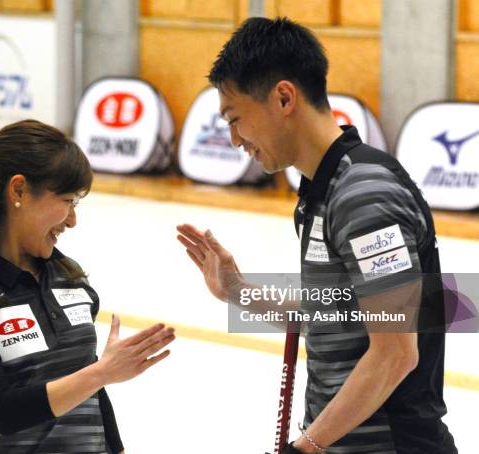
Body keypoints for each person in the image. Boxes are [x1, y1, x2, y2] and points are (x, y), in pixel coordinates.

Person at [176, 17, 457, 454]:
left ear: (284, 97)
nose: (233, 140)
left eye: (235, 119)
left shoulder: (365, 194)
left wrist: (306, 447)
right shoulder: (321, 192)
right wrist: (239, 292)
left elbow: (395, 353)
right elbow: (336, 315)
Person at [0, 119, 175, 454]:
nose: (72, 220)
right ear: (19, 190)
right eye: (68, 200)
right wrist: (101, 373)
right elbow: (2, 411)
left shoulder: (70, 279)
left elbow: (90, 392)